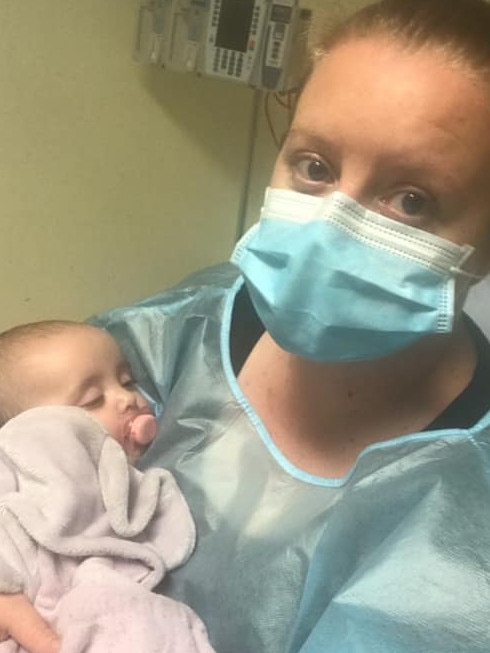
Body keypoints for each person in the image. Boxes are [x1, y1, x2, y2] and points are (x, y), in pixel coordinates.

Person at [6, 0, 490, 650]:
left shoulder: (464, 520)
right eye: (314, 166)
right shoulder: (179, 332)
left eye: (411, 200)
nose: (328, 229)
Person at [0, 321, 215, 653]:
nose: (128, 398)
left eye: (127, 381)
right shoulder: (17, 466)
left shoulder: (147, 477)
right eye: (92, 400)